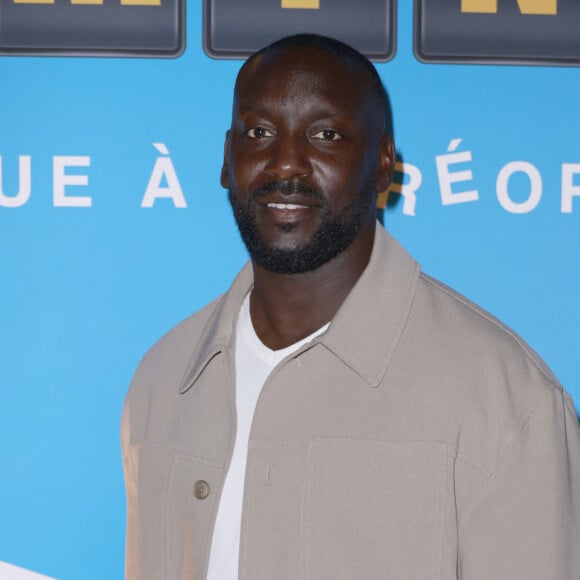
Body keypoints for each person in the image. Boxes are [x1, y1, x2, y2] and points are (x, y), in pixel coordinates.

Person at [122, 34, 580, 579]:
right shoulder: (164, 379)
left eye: (326, 135)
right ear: (227, 159)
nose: (285, 163)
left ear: (384, 165)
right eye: (259, 132)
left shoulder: (508, 404)